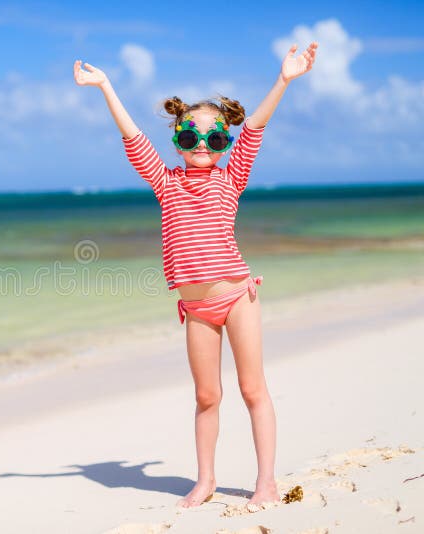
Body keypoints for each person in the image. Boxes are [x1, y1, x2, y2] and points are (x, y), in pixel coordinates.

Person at [73, 41, 317, 510]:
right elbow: (133, 139)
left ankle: (265, 481)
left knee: (252, 389)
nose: (202, 146)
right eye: (190, 138)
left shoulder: (232, 177)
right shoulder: (165, 183)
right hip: (196, 308)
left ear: (225, 142)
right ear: (178, 139)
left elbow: (256, 129)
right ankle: (205, 481)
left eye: (214, 138)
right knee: (207, 396)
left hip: (237, 296)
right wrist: (105, 85)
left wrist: (284, 79)